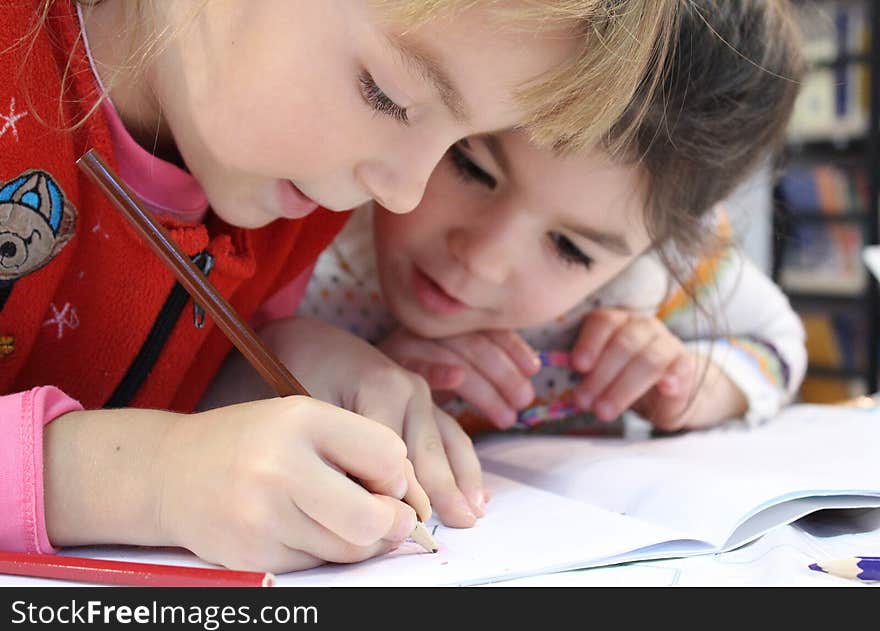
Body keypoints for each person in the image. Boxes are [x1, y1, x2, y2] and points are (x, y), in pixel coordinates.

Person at [0, 0, 679, 573]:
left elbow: (147, 384)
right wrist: (147, 478)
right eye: (390, 96)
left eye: (460, 142)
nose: (406, 192)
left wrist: (273, 366)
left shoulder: (291, 196)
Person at [276, 0, 808, 464]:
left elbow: (778, 343)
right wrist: (332, 371)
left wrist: (694, 382)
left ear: (661, 248)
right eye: (472, 168)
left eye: (570, 249)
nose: (482, 260)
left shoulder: (655, 279)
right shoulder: (313, 217)